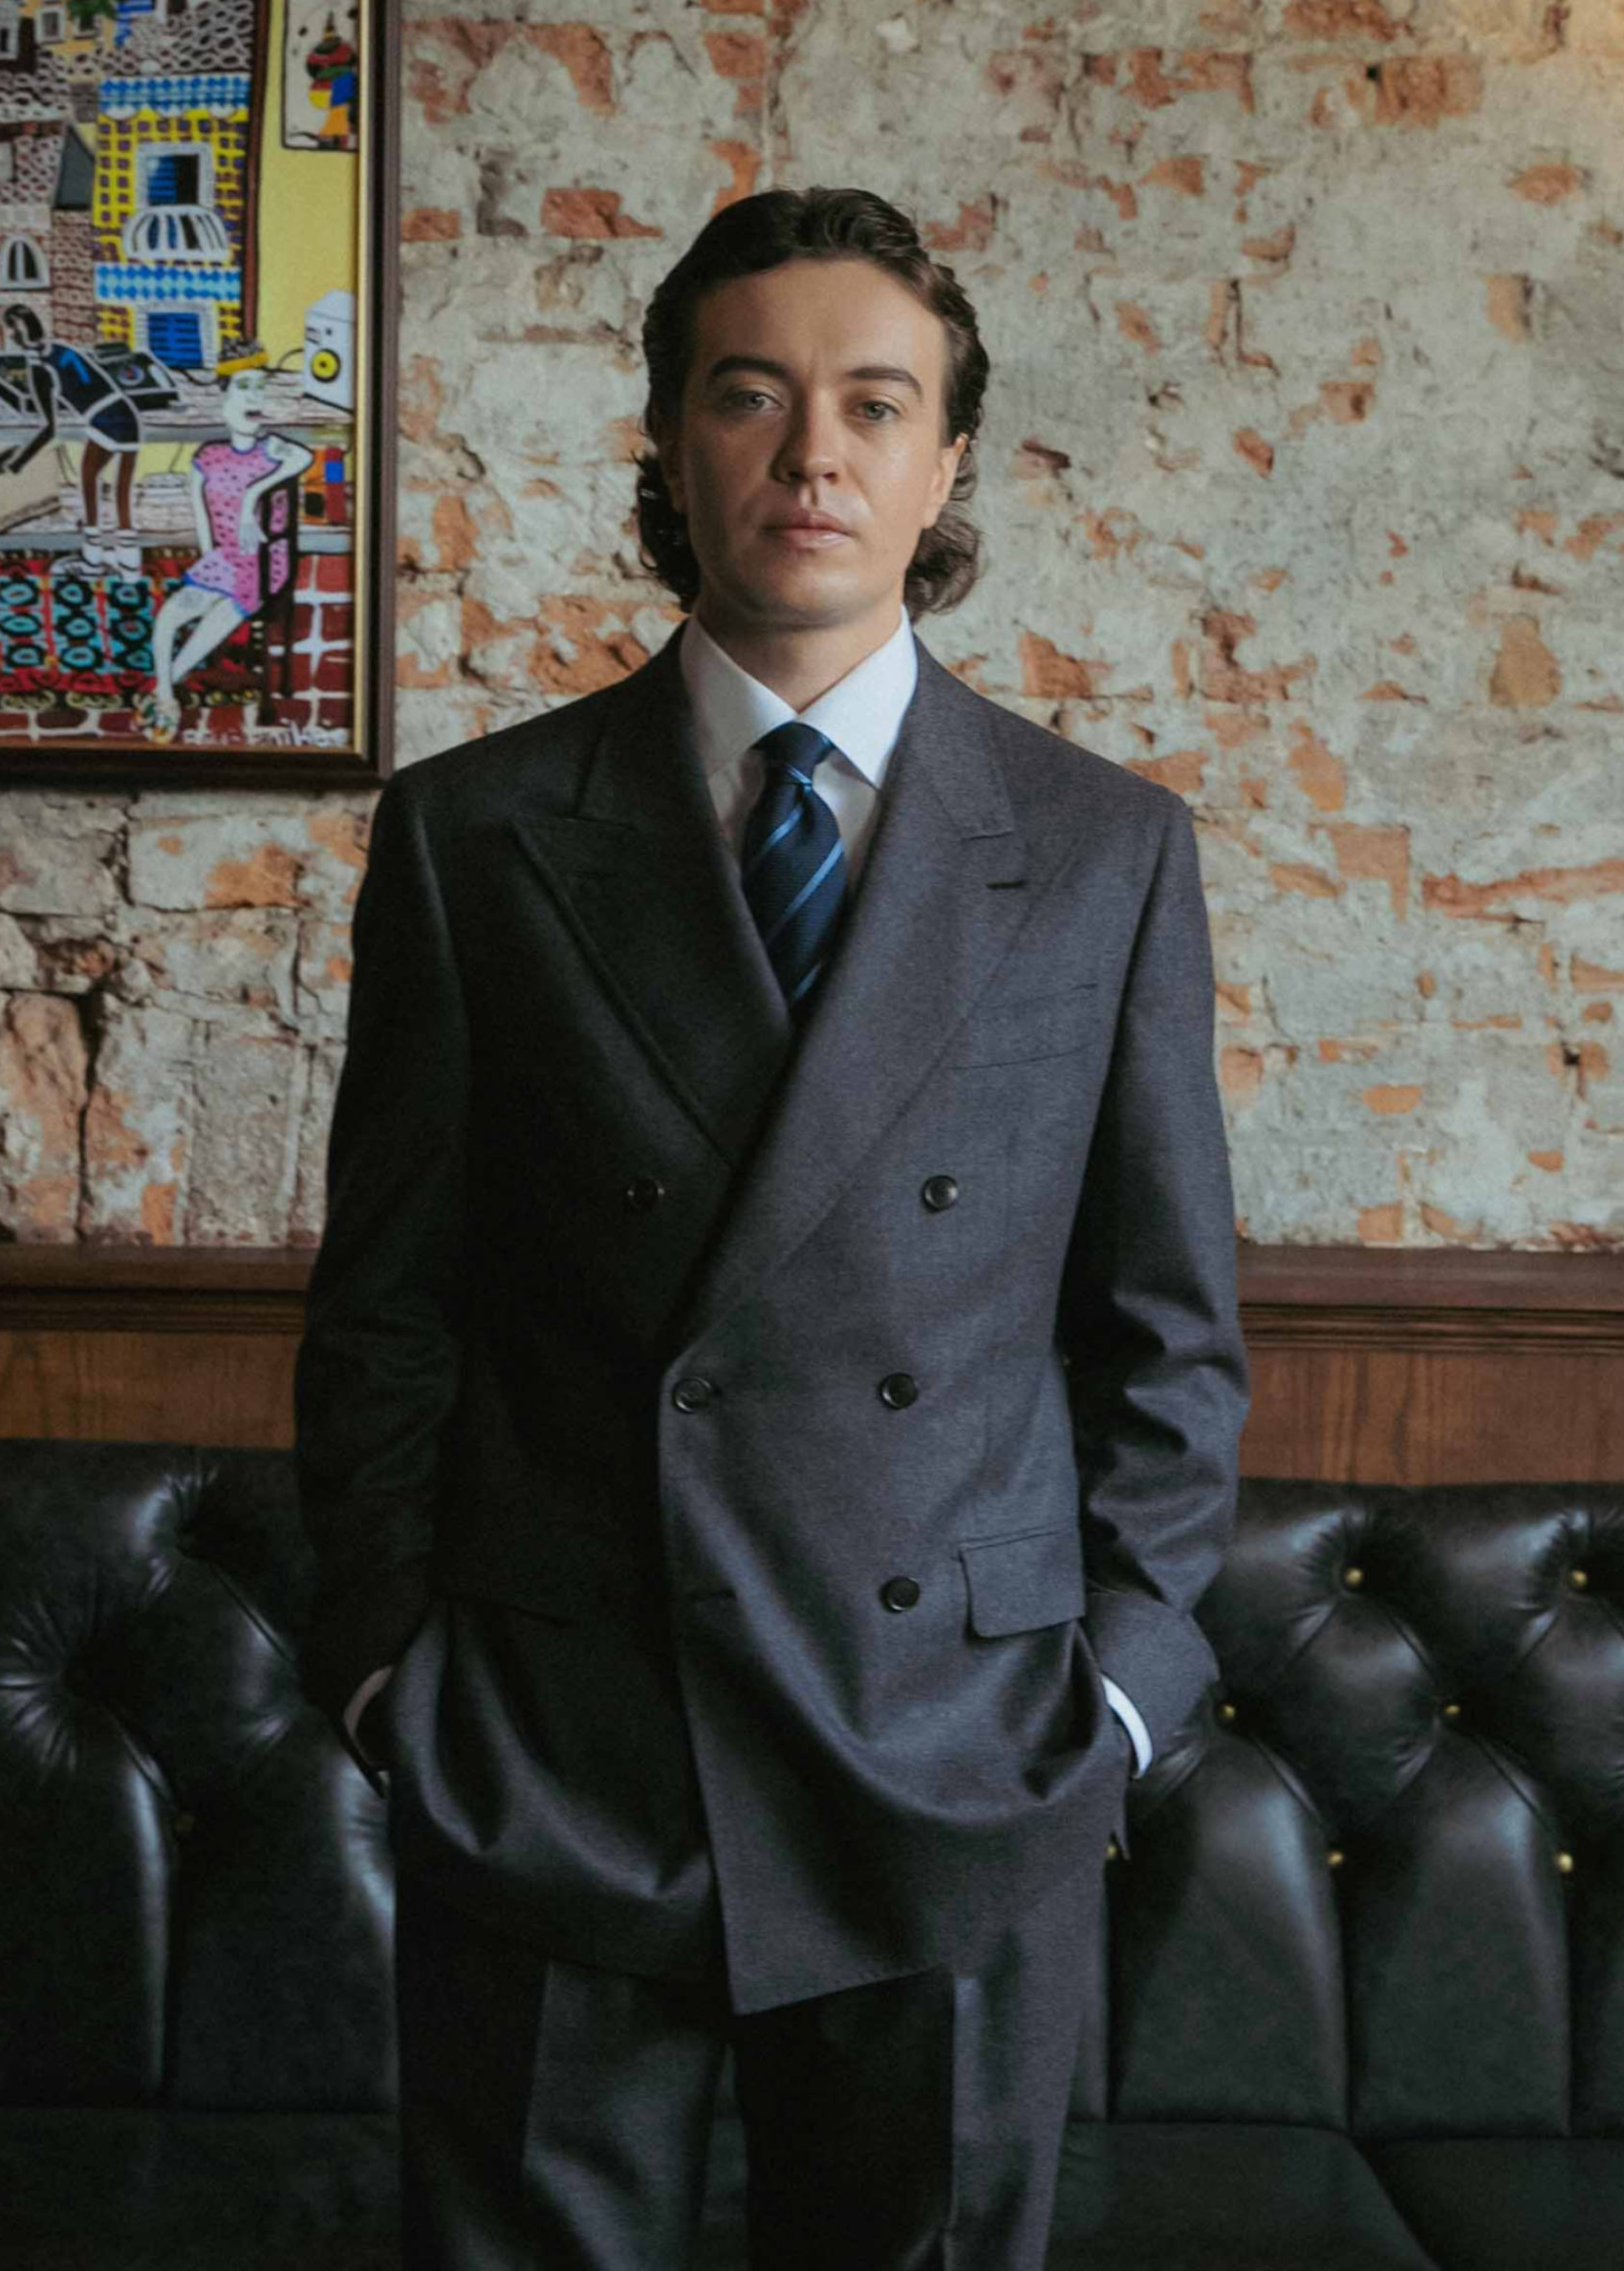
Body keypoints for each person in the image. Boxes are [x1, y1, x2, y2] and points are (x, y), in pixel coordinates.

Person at [294, 184, 1249, 2267]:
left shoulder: (1103, 851)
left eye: (874, 404)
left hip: (962, 1755)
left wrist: (1118, 1696)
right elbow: (387, 1310)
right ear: (666, 440)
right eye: (750, 395)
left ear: (946, 461)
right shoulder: (476, 836)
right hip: (559, 1749)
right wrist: (389, 1674)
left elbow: (1166, 1330)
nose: (813, 452)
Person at [138, 341, 312, 744]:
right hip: (224, 560)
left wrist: (252, 496)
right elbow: (201, 518)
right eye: (243, 387)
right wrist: (209, 563)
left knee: (216, 620)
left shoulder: (273, 448)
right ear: (224, 396)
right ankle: (165, 692)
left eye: (259, 388)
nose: (254, 398)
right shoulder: (207, 457)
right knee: (169, 617)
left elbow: (303, 458)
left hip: (264, 563)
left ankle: (163, 696)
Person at [0, 303, 144, 577]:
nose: (12, 336)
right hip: (125, 412)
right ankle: (129, 564)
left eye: (11, 330)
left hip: (102, 418)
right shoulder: (58, 349)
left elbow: (49, 428)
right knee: (121, 488)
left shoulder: (39, 367)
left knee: (89, 481)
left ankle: (92, 559)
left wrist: (16, 462)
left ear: (16, 335)